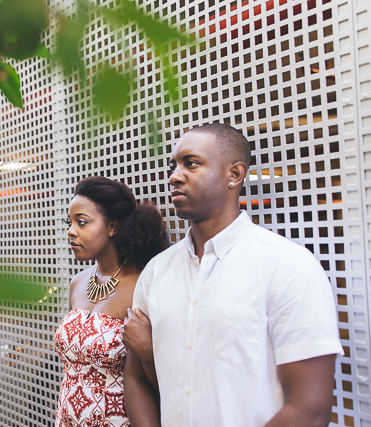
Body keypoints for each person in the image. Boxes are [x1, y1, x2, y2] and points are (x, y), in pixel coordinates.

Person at [124, 123, 344, 427]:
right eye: (173, 165)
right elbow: (135, 378)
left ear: (235, 174)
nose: (174, 176)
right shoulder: (155, 274)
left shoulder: (288, 266)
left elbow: (309, 410)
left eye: (191, 163)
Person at [54, 176, 170, 427]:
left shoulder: (144, 285)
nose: (71, 231)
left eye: (82, 223)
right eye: (70, 222)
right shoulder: (77, 283)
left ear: (113, 227)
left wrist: (148, 353)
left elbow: (166, 378)